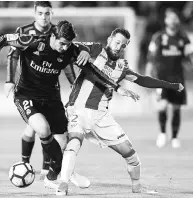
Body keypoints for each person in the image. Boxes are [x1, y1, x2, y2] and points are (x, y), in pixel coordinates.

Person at [0, 20, 137, 189]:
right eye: (62, 44)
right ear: (53, 36)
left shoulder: (70, 50)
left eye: (68, 44)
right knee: (43, 129)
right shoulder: (34, 42)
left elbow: (92, 71)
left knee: (65, 143)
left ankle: (53, 177)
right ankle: (66, 173)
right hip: (26, 96)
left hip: (52, 98)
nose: (65, 48)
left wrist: (117, 87)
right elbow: (2, 38)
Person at [55, 27, 184, 196]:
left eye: (123, 45)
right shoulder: (96, 49)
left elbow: (143, 80)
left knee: (130, 153)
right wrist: (85, 50)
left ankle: (137, 186)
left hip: (101, 117)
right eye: (116, 42)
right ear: (109, 39)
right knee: (74, 143)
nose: (118, 47)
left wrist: (171, 86)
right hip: (78, 110)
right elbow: (74, 47)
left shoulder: (122, 67)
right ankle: (63, 184)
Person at [4, 1, 77, 181]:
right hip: (29, 90)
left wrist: (73, 82)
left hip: (51, 92)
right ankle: (26, 163)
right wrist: (9, 81)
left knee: (47, 131)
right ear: (34, 14)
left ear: (52, 14)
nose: (44, 17)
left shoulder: (59, 33)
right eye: (41, 13)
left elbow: (67, 62)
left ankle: (47, 169)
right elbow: (12, 54)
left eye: (47, 13)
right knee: (34, 129)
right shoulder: (24, 31)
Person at [145, 8, 193, 148]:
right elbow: (150, 58)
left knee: (176, 108)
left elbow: (189, 59)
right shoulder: (158, 37)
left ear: (177, 21)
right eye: (170, 18)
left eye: (175, 18)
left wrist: (189, 59)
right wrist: (148, 73)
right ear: (166, 21)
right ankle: (162, 134)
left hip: (178, 78)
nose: (173, 20)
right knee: (163, 106)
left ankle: (175, 138)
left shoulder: (183, 38)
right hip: (162, 78)